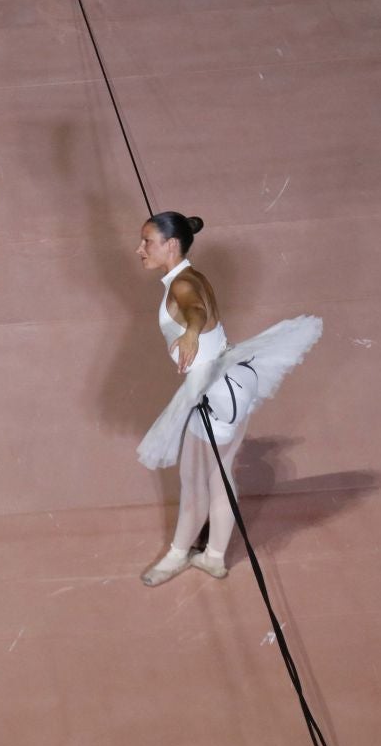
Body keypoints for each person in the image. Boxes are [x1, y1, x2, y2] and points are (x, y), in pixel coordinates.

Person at [134, 213, 323, 586]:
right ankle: (215, 557)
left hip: (215, 395)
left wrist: (189, 332)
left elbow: (196, 310)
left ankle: (177, 555)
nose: (139, 249)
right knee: (221, 476)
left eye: (147, 242)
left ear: (171, 245)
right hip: (236, 380)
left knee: (194, 481)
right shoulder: (192, 274)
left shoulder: (182, 286)